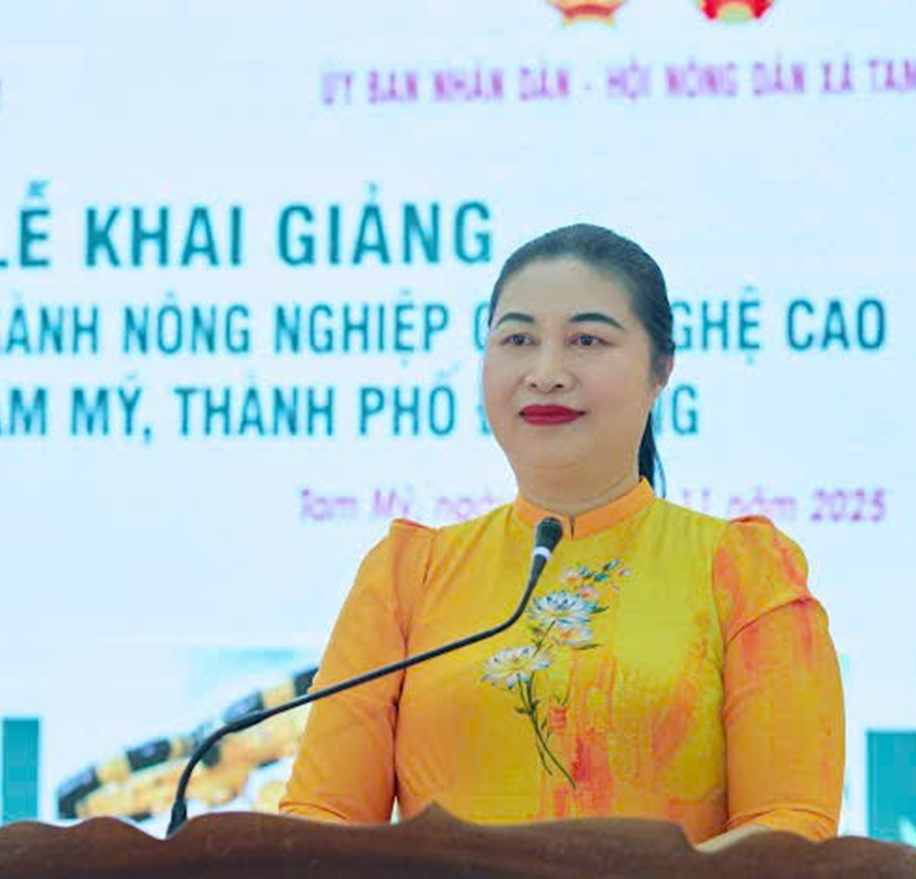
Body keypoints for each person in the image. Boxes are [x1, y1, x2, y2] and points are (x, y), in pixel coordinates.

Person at [278, 223, 845, 850]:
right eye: (518, 339)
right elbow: (321, 822)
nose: (546, 373)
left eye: (587, 340)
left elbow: (791, 828)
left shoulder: (744, 571)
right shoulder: (409, 573)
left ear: (661, 370)